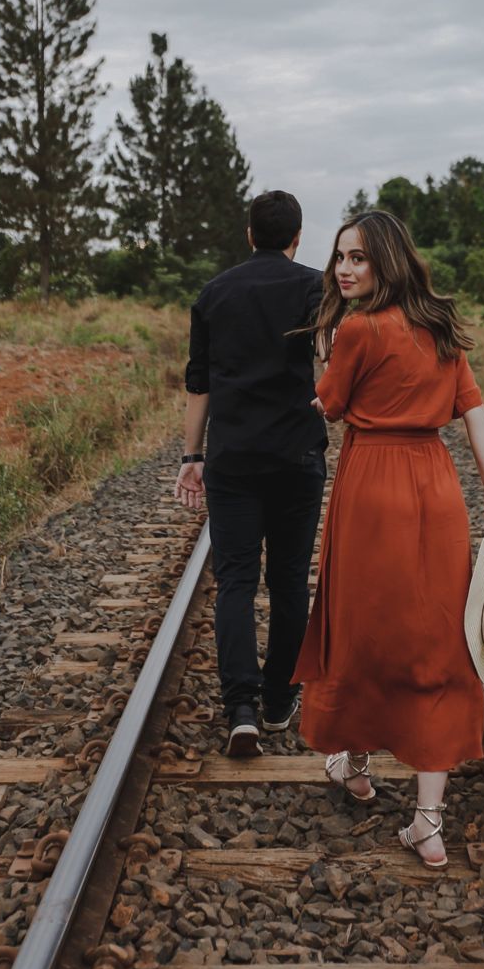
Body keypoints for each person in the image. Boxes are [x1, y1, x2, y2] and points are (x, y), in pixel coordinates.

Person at [293, 209, 484, 870]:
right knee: (435, 639)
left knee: (360, 625)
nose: (343, 269)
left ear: (385, 260)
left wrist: (326, 352)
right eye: (339, 258)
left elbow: (327, 406)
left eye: (357, 258)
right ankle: (426, 821)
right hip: (436, 487)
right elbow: (472, 409)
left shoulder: (357, 329)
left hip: (371, 485)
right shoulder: (440, 327)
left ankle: (356, 763)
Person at [176, 189, 327, 758]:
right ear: (297, 237)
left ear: (248, 235)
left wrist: (193, 459)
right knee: (289, 581)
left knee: (235, 580)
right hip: (296, 457)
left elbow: (200, 385)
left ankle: (239, 708)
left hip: (233, 460)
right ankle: (278, 697)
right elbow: (332, 364)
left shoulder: (214, 294)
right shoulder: (316, 287)